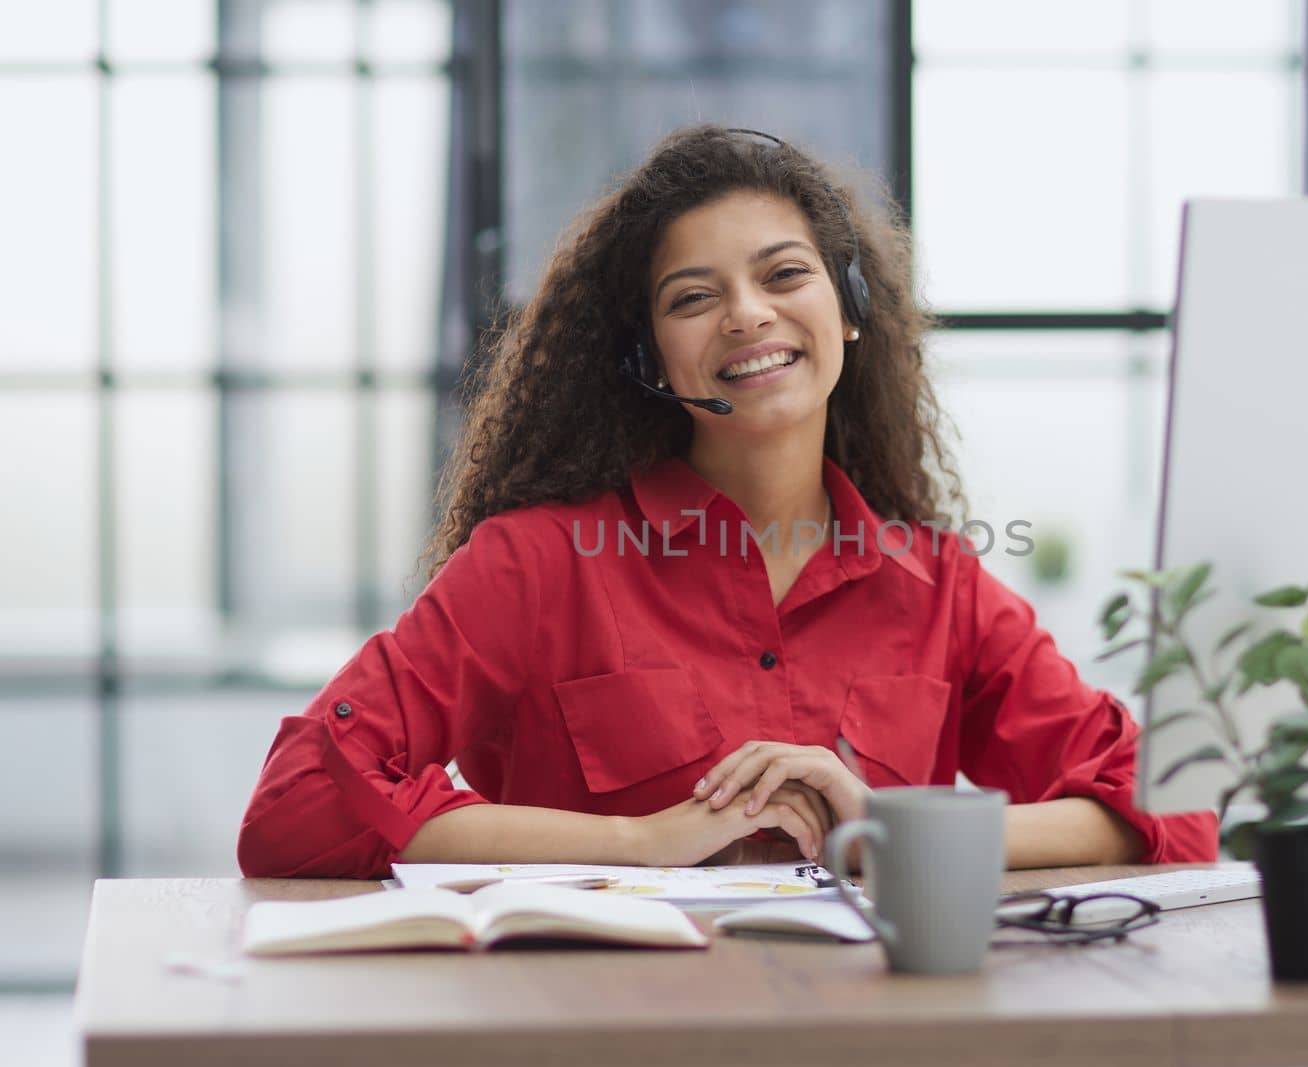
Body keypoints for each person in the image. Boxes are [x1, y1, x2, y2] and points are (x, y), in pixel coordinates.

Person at [236, 124, 1217, 879]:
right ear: (648, 360)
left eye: (784, 275)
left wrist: (888, 833)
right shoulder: (533, 565)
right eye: (692, 297)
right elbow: (301, 802)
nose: (747, 312)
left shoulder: (940, 586)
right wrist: (639, 840)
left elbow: (1168, 809)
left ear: (852, 312)